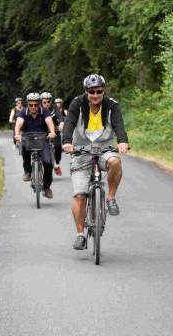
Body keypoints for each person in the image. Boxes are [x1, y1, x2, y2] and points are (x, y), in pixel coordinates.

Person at [61, 74, 130, 250]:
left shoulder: (112, 105)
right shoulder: (77, 103)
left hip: (104, 148)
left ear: (103, 91)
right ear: (86, 92)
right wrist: (67, 142)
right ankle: (80, 234)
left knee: (115, 162)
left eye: (99, 91)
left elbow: (118, 125)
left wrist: (122, 141)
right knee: (79, 195)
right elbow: (69, 122)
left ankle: (111, 198)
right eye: (92, 92)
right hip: (81, 150)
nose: (95, 95)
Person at [14, 93, 56, 198]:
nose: (33, 107)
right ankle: (27, 171)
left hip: (43, 139)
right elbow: (19, 123)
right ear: (28, 104)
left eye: (36, 105)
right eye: (31, 105)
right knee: (24, 148)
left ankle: (46, 187)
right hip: (28, 138)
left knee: (48, 162)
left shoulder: (44, 111)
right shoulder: (24, 111)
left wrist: (52, 132)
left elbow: (49, 122)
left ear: (39, 104)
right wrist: (17, 134)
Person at [40, 92, 64, 176]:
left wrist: (61, 123)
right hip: (42, 131)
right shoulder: (38, 109)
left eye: (48, 101)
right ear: (41, 102)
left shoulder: (55, 108)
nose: (47, 104)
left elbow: (60, 116)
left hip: (54, 130)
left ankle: (56, 163)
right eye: (44, 102)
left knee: (58, 147)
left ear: (51, 101)